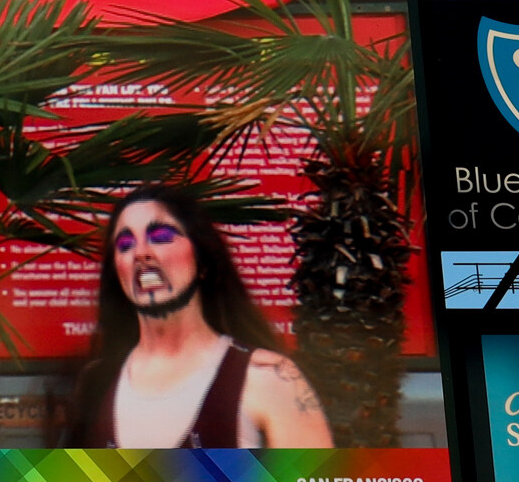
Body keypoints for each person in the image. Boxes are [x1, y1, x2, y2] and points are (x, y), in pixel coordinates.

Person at [68, 184, 331, 448]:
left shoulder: (269, 376)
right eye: (125, 244)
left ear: (203, 261)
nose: (141, 253)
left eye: (160, 236)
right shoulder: (97, 383)